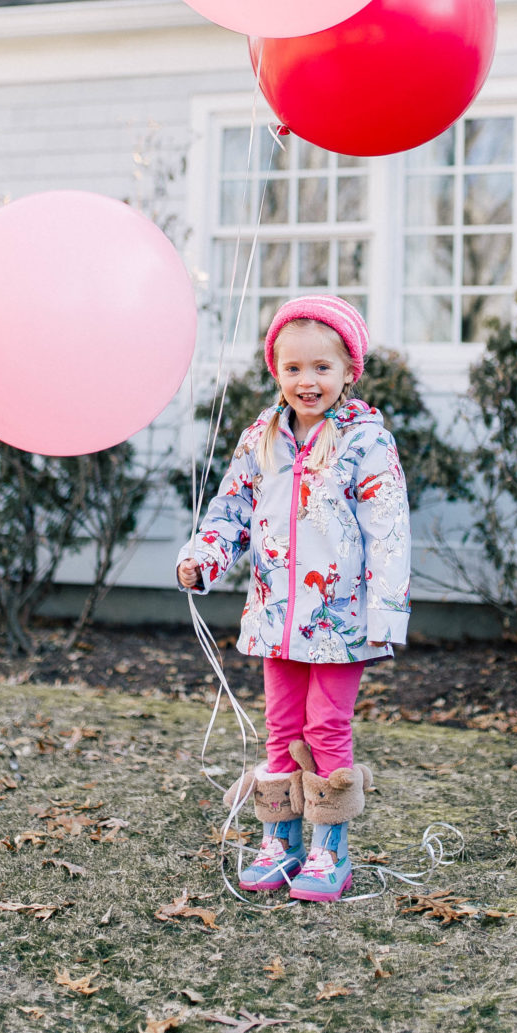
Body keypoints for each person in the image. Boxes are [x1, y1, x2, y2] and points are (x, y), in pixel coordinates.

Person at [176, 294, 411, 903]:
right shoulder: (263, 437)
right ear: (276, 370)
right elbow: (233, 507)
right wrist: (204, 559)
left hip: (341, 619)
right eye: (294, 368)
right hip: (276, 616)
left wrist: (387, 611)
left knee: (325, 730)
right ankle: (280, 840)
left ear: (349, 371)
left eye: (322, 368)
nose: (308, 381)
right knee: (280, 729)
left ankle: (330, 847)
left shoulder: (366, 443)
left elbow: (388, 530)